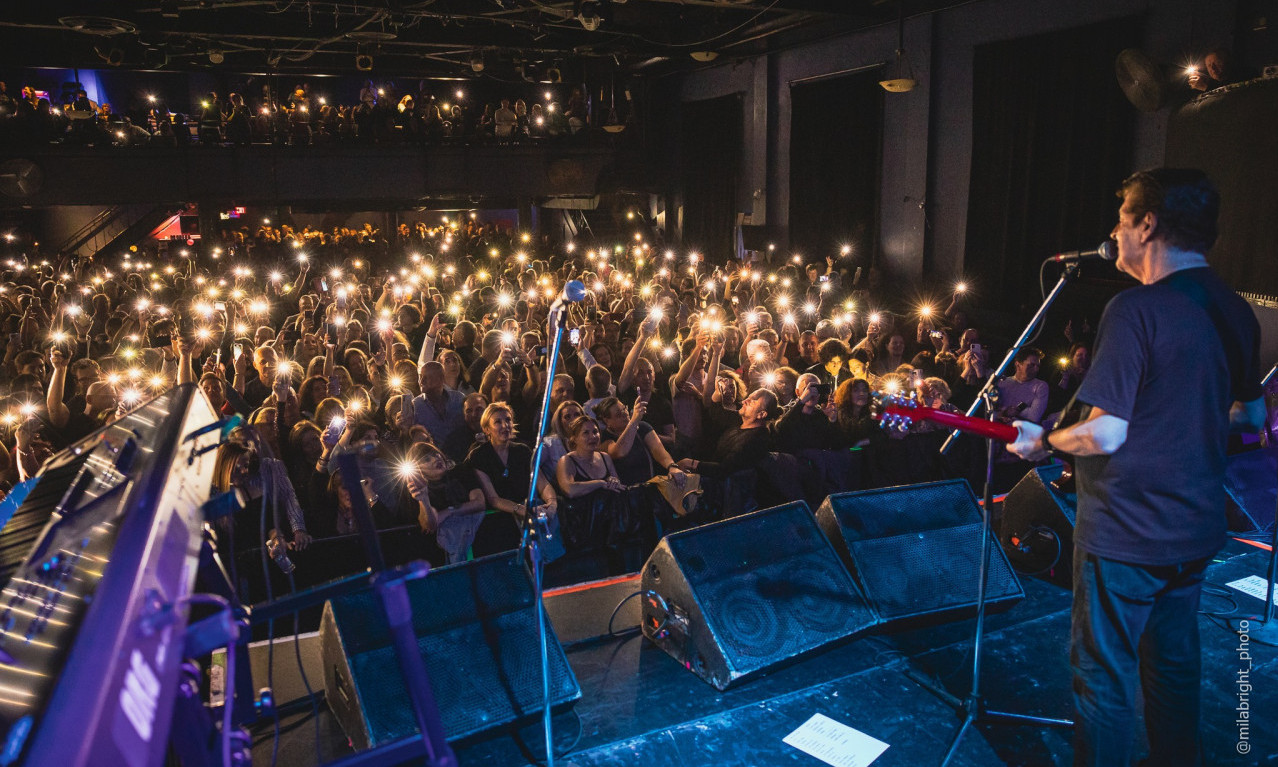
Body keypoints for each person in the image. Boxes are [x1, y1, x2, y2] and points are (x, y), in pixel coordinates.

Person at [1009, 168, 1264, 767]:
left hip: (1126, 533)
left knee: (1104, 678)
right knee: (1174, 669)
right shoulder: (1236, 308)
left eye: (1122, 217)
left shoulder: (1135, 309)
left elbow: (1105, 431)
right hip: (1196, 529)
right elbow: (1250, 418)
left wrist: (1046, 442)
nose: (1115, 232)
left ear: (1147, 223)